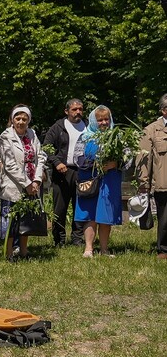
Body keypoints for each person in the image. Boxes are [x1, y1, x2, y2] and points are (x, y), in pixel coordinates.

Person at [74, 106, 123, 258]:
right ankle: (88, 248)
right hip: (90, 180)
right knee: (90, 213)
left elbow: (128, 157)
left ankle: (104, 249)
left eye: (106, 119)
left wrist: (116, 164)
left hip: (110, 181)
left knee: (105, 215)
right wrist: (94, 164)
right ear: (94, 121)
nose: (103, 123)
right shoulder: (85, 136)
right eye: (100, 120)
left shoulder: (117, 136)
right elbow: (77, 158)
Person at [0, 105, 46, 260]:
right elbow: (10, 164)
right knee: (10, 219)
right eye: (17, 118)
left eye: (24, 119)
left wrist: (37, 180)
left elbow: (40, 156)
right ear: (12, 120)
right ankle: (9, 253)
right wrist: (26, 183)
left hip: (32, 183)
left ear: (29, 121)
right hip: (13, 184)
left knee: (26, 219)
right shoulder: (6, 136)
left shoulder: (32, 134)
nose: (20, 122)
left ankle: (24, 251)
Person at [44, 99, 87, 246]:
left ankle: (77, 239)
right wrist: (56, 162)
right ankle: (59, 240)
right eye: (74, 109)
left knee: (81, 207)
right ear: (66, 111)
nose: (78, 112)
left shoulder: (88, 126)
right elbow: (46, 147)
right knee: (59, 208)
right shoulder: (58, 127)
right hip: (62, 172)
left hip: (82, 171)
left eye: (80, 109)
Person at [136, 94, 167, 259]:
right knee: (165, 219)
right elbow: (143, 158)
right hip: (163, 182)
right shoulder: (151, 130)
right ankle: (164, 249)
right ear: (163, 110)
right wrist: (143, 182)